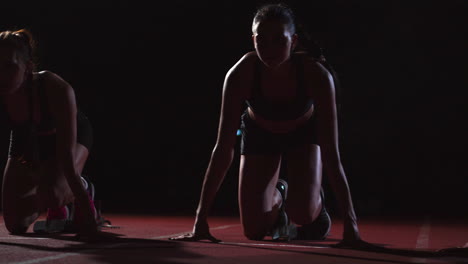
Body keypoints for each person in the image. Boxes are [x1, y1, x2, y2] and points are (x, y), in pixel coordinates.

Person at [170, 3, 369, 247]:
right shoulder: (240, 74)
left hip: (302, 134)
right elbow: (222, 149)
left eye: (278, 40)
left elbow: (331, 153)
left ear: (293, 41)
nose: (269, 48)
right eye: (261, 40)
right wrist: (200, 222)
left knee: (303, 214)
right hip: (260, 133)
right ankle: (281, 193)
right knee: (253, 231)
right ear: (252, 40)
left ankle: (313, 202)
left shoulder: (316, 74)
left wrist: (352, 226)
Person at [0, 29, 99, 239]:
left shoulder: (54, 88)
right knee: (15, 224)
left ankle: (81, 188)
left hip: (70, 136)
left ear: (27, 68)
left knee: (53, 193)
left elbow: (66, 158)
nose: (2, 75)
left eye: (10, 66)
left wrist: (89, 220)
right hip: (27, 139)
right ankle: (54, 196)